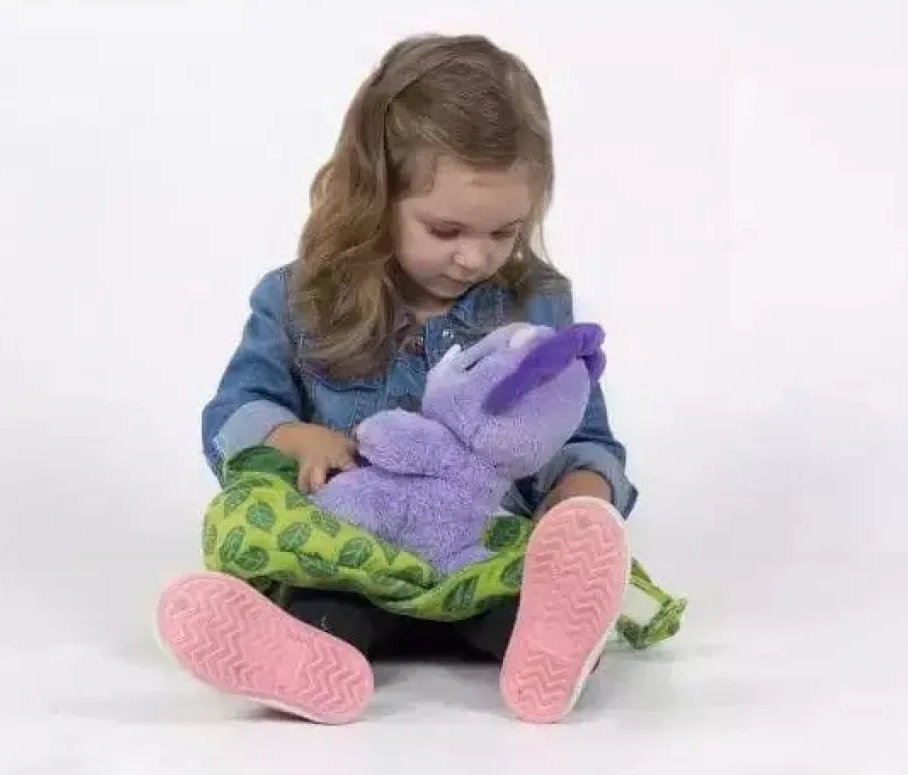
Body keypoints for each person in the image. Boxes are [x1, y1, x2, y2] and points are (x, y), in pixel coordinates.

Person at [157, 33, 637, 725]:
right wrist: (294, 437)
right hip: (355, 559)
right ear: (375, 194)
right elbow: (233, 413)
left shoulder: (535, 306)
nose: (475, 257)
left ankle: (556, 648)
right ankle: (293, 657)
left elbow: (584, 435)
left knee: (523, 596)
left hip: (477, 556)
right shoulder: (296, 301)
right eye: (445, 230)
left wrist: (581, 497)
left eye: (503, 232)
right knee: (323, 604)